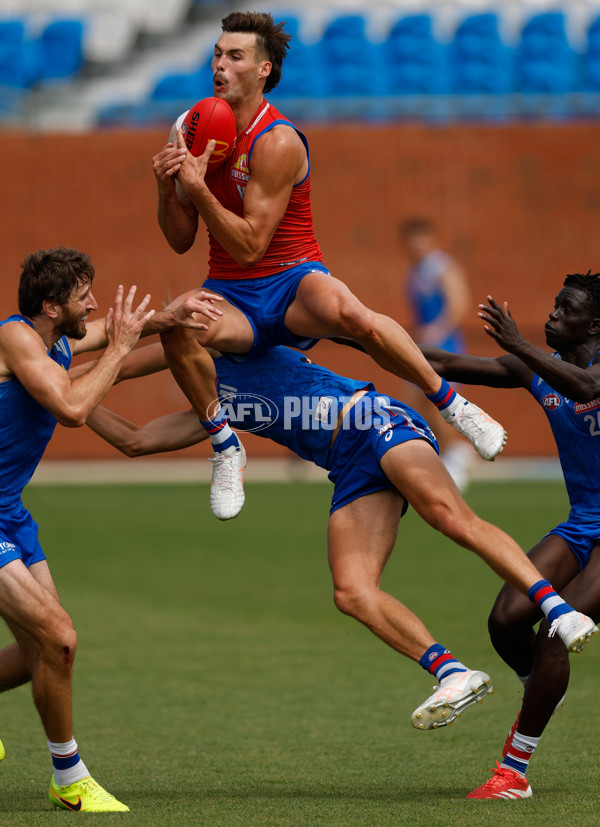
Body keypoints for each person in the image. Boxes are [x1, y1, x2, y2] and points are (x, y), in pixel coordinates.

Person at [76, 336, 596, 737]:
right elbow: (135, 440)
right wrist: (64, 401)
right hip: (347, 465)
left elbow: (135, 359)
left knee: (450, 517)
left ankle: (558, 610)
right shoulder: (217, 414)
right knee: (351, 590)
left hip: (379, 422)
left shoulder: (228, 345)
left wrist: (61, 374)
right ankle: (452, 673)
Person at [152, 10, 507, 522]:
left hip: (292, 279)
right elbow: (181, 239)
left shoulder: (278, 141)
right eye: (217, 54)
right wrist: (167, 188)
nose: (220, 66)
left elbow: (253, 246)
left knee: (352, 315)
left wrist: (199, 187)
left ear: (263, 70)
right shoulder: (187, 127)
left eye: (235, 57)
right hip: (230, 291)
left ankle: (453, 403)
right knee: (179, 323)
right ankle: (226, 447)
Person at [0, 247, 220, 813]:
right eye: (82, 296)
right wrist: (123, 347)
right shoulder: (17, 339)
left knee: (42, 655)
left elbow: (103, 332)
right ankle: (68, 777)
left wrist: (166, 318)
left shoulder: (53, 337)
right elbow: (73, 408)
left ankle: (66, 776)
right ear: (51, 306)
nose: (94, 304)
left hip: (9, 510)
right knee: (59, 636)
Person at [422, 271, 600, 799]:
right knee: (506, 620)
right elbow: (448, 364)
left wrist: (519, 343)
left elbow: (587, 387)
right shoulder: (536, 371)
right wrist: (355, 331)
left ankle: (513, 773)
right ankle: (545, 687)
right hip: (584, 520)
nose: (551, 315)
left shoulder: (583, 372)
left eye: (563, 308)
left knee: (555, 629)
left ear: (593, 324)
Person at [401, 217, 473, 491]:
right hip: (422, 348)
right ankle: (450, 453)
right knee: (414, 402)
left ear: (430, 239)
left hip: (444, 348)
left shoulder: (441, 266)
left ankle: (457, 454)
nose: (416, 244)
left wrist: (438, 330)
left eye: (420, 238)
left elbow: (458, 301)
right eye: (411, 239)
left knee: (436, 402)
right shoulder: (415, 271)